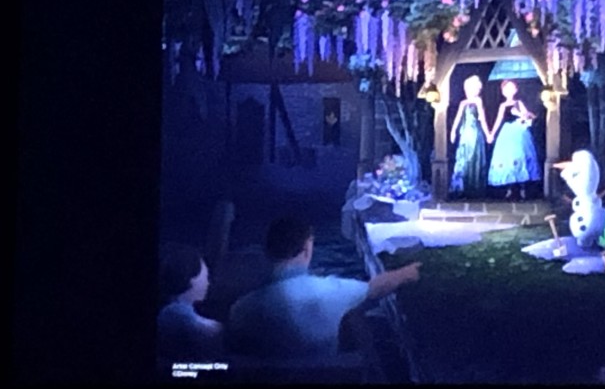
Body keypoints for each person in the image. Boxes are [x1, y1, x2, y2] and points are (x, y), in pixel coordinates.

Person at [226, 217, 420, 360]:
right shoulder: (330, 291)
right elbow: (376, 288)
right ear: (306, 250)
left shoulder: (241, 309)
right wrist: (408, 272)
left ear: (267, 252)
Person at [158, 243, 224, 362]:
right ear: (190, 278)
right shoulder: (207, 329)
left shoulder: (165, 313)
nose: (208, 283)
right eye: (205, 276)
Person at [486, 79, 541, 200]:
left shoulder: (518, 103)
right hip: (507, 132)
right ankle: (510, 189)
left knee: (520, 156)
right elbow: (498, 120)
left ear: (516, 90)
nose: (509, 91)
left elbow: (528, 115)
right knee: (508, 158)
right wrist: (491, 134)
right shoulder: (503, 105)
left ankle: (522, 188)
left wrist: (519, 114)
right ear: (503, 91)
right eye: (506, 88)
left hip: (519, 131)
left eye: (511, 88)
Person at [449, 74, 490, 198]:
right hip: (465, 134)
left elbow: (482, 118)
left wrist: (488, 134)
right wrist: (453, 131)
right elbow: (458, 118)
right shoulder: (463, 103)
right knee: (463, 157)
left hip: (475, 134)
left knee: (474, 158)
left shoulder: (478, 101)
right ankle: (461, 188)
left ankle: (474, 188)